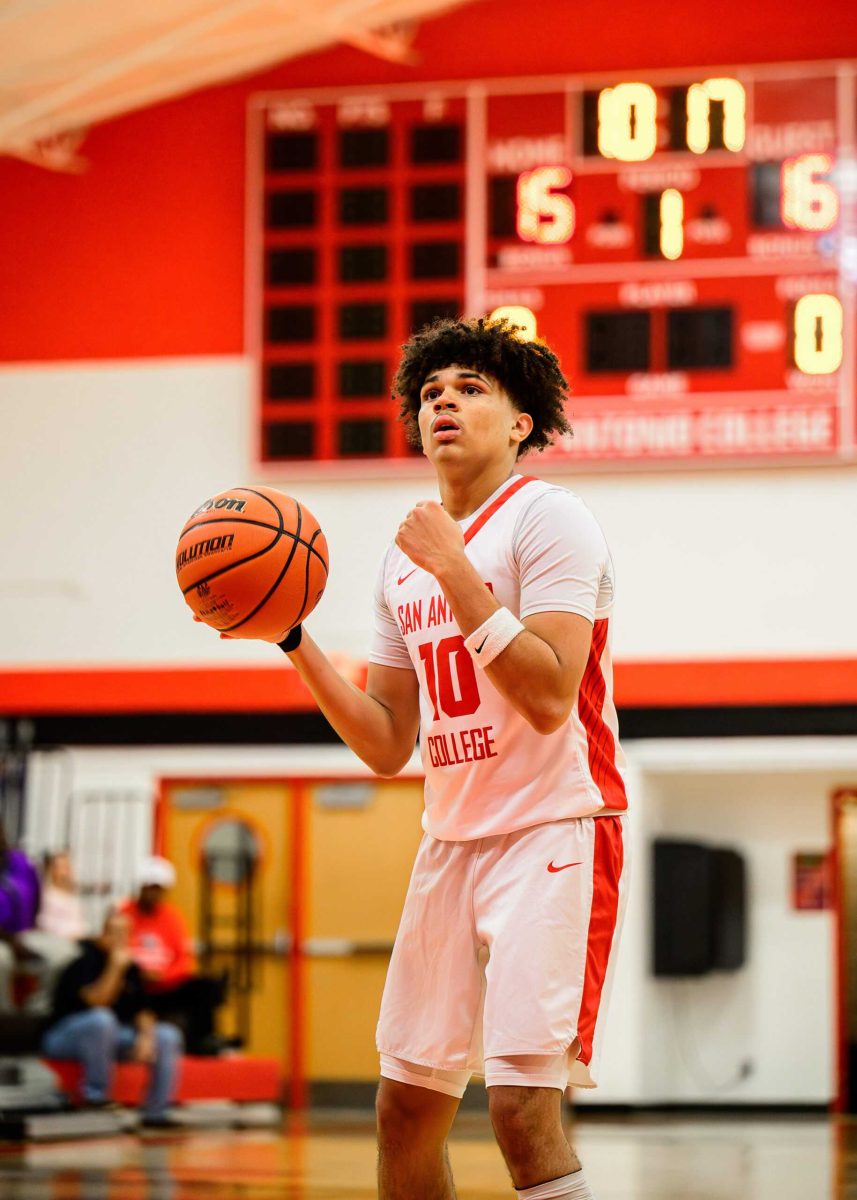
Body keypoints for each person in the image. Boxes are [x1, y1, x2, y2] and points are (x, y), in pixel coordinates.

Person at [214, 317, 629, 1200]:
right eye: (431, 391)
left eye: (471, 387)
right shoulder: (401, 566)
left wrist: (456, 571)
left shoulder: (549, 519)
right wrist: (292, 640)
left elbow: (553, 693)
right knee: (404, 1109)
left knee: (521, 1111)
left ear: (521, 421)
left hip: (553, 831)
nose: (444, 399)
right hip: (450, 842)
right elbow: (385, 742)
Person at [42, 908, 183, 1126]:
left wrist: (146, 1037)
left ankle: (157, 1113)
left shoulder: (132, 968)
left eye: (124, 934)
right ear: (101, 935)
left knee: (167, 1035)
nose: (119, 940)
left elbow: (143, 1010)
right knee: (102, 1019)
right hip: (64, 1037)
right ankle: (95, 1097)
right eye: (113, 933)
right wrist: (115, 967)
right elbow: (98, 1001)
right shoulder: (83, 961)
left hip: (109, 1038)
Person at [120, 856, 225, 1055]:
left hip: (166, 986)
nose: (153, 893)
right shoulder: (124, 914)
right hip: (135, 985)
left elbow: (185, 959)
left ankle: (204, 1042)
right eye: (149, 887)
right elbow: (115, 952)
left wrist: (163, 976)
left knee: (205, 987)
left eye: (158, 888)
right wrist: (140, 973)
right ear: (140, 887)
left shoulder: (172, 917)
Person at [0, 823, 41, 1010]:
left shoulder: (21, 862)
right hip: (5, 939)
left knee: (62, 954)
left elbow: (37, 897)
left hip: (24, 933)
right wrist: (11, 940)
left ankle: (38, 1015)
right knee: (2, 959)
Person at [37, 850, 87, 941]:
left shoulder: (72, 896)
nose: (67, 871)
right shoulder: (47, 896)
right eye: (62, 867)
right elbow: (45, 924)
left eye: (68, 866)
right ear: (52, 870)